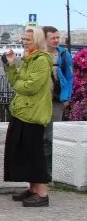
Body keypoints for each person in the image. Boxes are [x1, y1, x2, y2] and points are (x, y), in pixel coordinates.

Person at [3, 26, 54, 207]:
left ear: (38, 40)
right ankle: (33, 188)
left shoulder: (41, 60)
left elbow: (28, 87)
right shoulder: (28, 58)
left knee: (34, 154)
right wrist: (11, 66)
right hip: (23, 112)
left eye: (28, 39)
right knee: (24, 152)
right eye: (23, 39)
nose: (24, 42)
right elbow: (17, 82)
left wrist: (17, 81)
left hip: (33, 114)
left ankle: (42, 193)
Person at [38, 25, 74, 184]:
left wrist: (67, 98)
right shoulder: (39, 54)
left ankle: (50, 172)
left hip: (56, 101)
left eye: (57, 37)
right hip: (40, 102)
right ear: (45, 39)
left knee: (52, 136)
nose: (56, 40)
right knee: (40, 136)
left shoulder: (63, 54)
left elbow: (70, 76)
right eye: (53, 38)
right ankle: (40, 171)